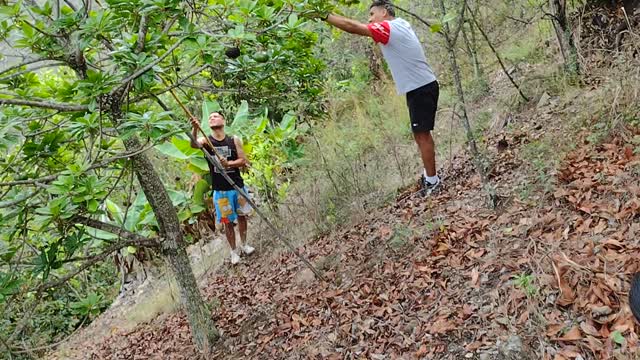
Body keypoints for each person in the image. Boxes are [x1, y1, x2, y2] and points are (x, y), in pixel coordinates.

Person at [321, 1, 442, 195]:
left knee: (422, 135)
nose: (369, 19)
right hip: (421, 86)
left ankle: (433, 181)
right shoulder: (401, 23)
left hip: (421, 88)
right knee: (420, 134)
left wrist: (324, 15)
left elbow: (353, 27)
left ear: (384, 12)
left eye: (371, 14)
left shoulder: (388, 27)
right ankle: (430, 177)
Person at [190, 112, 255, 265]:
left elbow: (242, 160)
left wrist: (229, 164)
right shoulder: (206, 140)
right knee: (227, 221)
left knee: (242, 216)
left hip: (237, 186)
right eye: (210, 117)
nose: (212, 118)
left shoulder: (233, 140)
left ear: (223, 121)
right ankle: (233, 252)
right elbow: (194, 144)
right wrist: (194, 129)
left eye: (216, 116)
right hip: (221, 190)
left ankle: (244, 245)